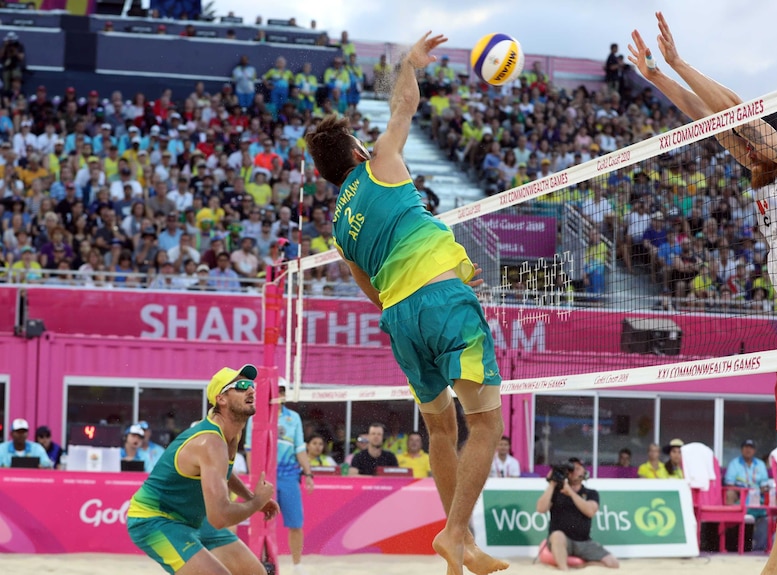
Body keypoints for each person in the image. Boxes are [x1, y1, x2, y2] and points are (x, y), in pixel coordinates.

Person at [629, 12, 777, 574]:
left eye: (754, 142)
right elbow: (715, 121)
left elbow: (739, 117)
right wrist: (660, 78)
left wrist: (682, 62)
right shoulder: (762, 173)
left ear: (774, 142)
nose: (743, 149)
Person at [306, 31, 507, 575]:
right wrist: (409, 63)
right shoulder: (380, 162)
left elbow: (367, 289)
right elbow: (405, 102)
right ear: (355, 152)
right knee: (487, 423)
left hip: (398, 316)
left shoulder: (338, 229)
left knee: (441, 428)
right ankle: (455, 534)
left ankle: (457, 552)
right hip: (440, 297)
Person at [127, 364, 279, 575]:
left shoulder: (230, 432)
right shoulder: (210, 442)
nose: (251, 390)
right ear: (221, 399)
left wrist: (249, 496)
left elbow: (222, 470)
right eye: (242, 386)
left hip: (191, 518)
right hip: (155, 520)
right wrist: (256, 502)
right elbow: (219, 518)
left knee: (256, 573)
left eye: (251, 385)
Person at [535, 458, 619, 569]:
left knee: (613, 563)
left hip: (584, 542)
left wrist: (570, 492)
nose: (574, 471)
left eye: (578, 469)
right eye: (571, 469)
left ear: (584, 473)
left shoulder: (591, 493)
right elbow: (540, 509)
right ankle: (564, 570)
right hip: (561, 540)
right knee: (557, 535)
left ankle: (581, 566)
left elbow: (590, 511)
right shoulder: (556, 492)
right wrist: (552, 484)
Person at [274, 385, 315, 573]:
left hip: (289, 477)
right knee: (263, 525)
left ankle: (297, 566)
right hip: (267, 478)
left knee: (296, 524)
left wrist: (308, 474)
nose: (279, 394)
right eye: (276, 390)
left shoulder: (294, 418)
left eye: (282, 391)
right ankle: (262, 563)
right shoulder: (256, 416)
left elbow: (300, 448)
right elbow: (250, 448)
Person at [723, 439, 769, 550]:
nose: (748, 450)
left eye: (751, 448)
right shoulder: (735, 463)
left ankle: (760, 549)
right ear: (741, 449)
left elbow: (765, 485)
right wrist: (744, 491)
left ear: (754, 450)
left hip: (757, 498)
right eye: (746, 447)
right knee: (729, 493)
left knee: (767, 515)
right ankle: (731, 540)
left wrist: (758, 491)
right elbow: (729, 485)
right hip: (740, 497)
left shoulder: (760, 464)